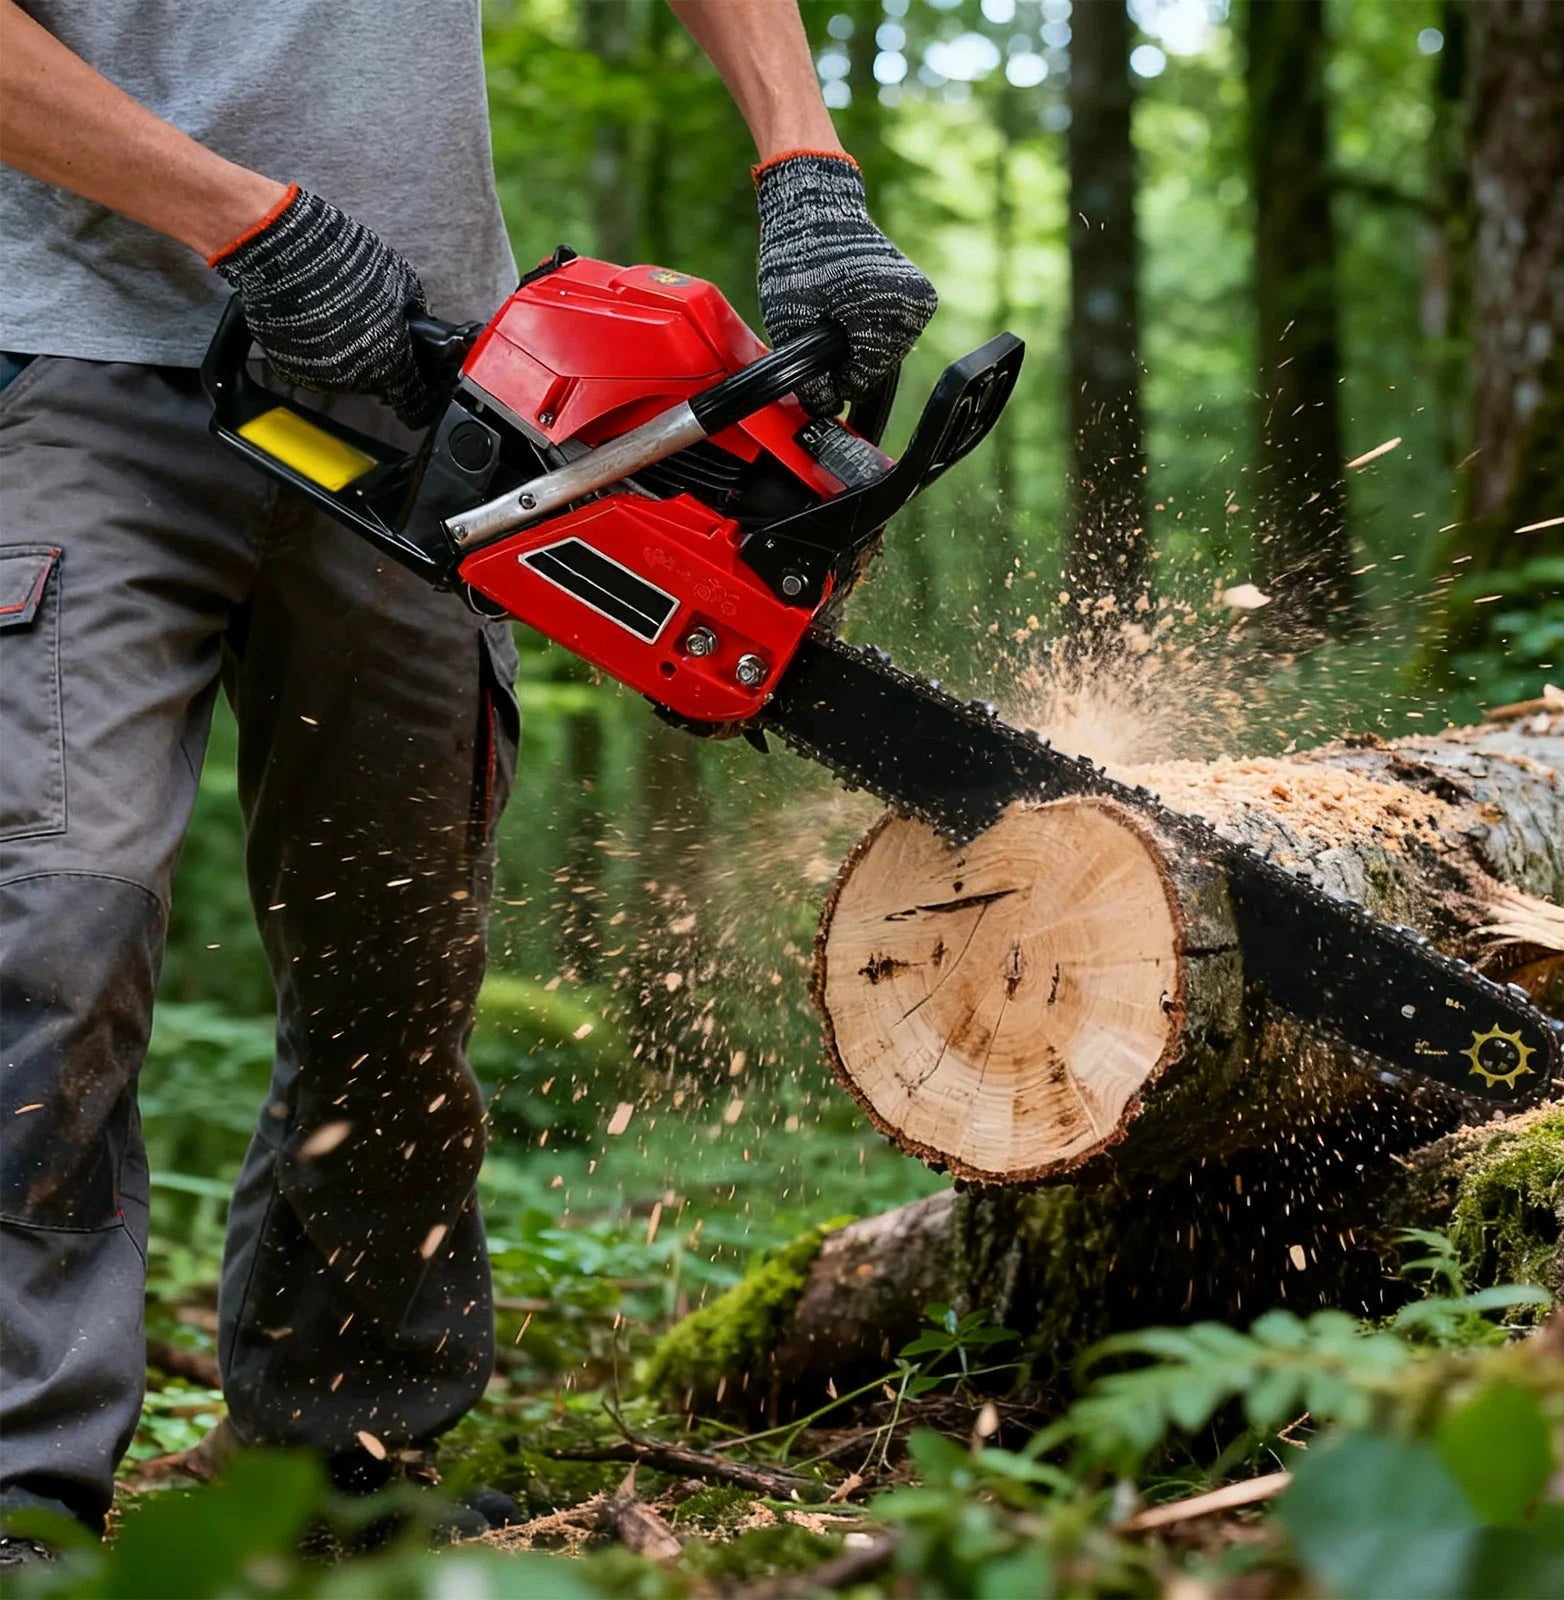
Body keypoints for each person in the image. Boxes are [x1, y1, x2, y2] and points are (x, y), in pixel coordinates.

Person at [0, 0, 936, 1563]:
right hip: (89, 357)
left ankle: (346, 1451)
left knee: (399, 949)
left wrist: (804, 156)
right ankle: (18, 1486)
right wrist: (243, 222)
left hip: (435, 384)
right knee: (53, 920)